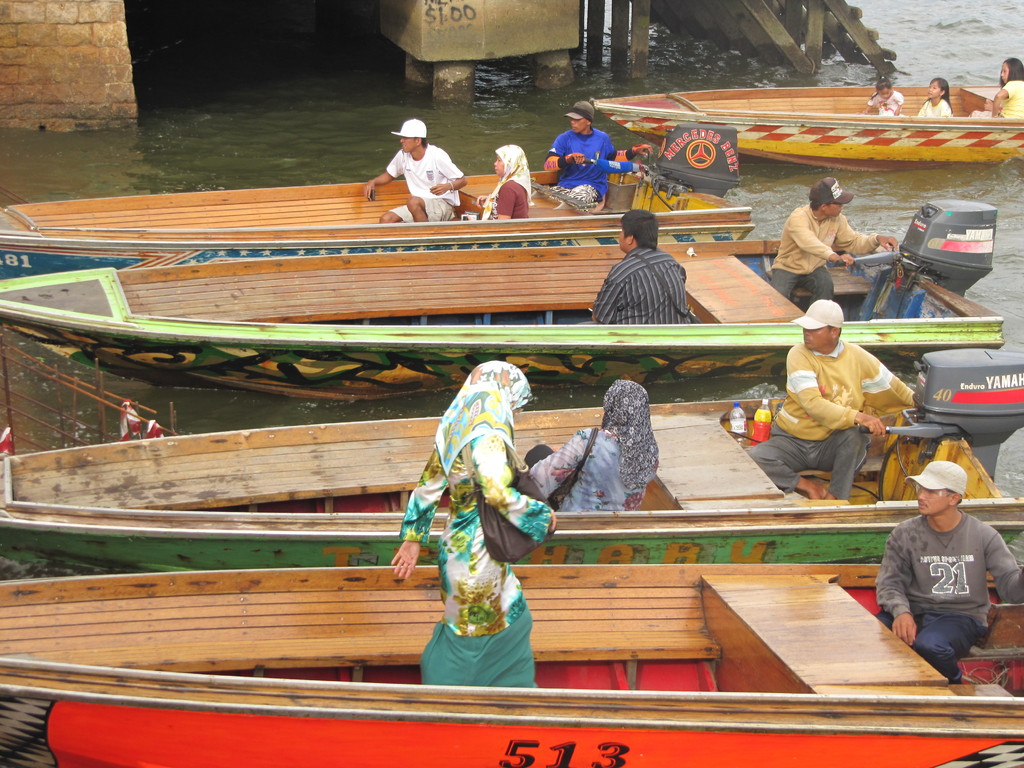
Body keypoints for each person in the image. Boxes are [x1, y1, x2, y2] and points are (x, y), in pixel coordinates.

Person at [391, 361, 554, 688]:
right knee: (475, 634)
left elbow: (428, 485)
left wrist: (413, 537)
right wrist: (541, 517)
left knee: (508, 617)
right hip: (480, 558)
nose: (514, 411)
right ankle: (450, 703)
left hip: (458, 550)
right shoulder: (489, 434)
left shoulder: (457, 423)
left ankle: (513, 693)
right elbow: (495, 490)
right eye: (515, 404)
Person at [748, 299, 914, 501]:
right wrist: (858, 416)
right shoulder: (798, 354)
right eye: (805, 328)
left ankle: (836, 499)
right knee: (754, 458)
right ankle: (809, 487)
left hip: (830, 444)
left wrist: (926, 403)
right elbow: (813, 404)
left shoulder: (859, 357)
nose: (806, 332)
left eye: (814, 329)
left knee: (856, 438)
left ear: (834, 332)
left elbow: (897, 390)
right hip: (792, 441)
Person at [876, 461, 1024, 684]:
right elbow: (889, 583)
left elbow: (1012, 591)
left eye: (931, 491)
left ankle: (955, 686)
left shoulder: (984, 535)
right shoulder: (904, 533)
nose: (921, 496)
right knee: (870, 636)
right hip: (914, 611)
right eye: (920, 489)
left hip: (961, 616)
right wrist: (901, 612)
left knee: (930, 644)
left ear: (954, 498)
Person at [528, 379, 659, 512]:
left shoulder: (590, 439)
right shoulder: (650, 451)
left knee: (539, 453)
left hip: (579, 520)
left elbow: (539, 477)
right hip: (625, 524)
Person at [770, 177, 899, 306]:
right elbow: (809, 242)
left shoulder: (838, 219)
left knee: (826, 288)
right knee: (777, 300)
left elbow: (853, 241)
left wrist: (876, 239)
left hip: (815, 268)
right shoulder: (798, 217)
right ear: (824, 206)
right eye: (838, 204)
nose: (842, 207)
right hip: (787, 268)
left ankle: (819, 322)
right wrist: (834, 257)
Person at [543, 100, 651, 210]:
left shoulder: (602, 138)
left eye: (577, 119)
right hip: (566, 185)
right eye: (571, 119)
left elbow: (613, 157)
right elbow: (548, 164)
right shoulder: (564, 138)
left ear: (588, 121)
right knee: (546, 203)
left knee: (572, 204)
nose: (572, 122)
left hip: (591, 186)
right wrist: (568, 159)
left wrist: (633, 151)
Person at [592, 209, 693, 324]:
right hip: (678, 336)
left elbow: (600, 317)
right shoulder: (672, 263)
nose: (619, 236)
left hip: (638, 339)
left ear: (630, 238)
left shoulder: (622, 272)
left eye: (622, 231)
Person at [363, 118, 467, 224]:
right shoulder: (403, 155)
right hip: (418, 206)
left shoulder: (437, 155)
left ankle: (426, 237)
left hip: (441, 203)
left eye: (405, 138)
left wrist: (447, 187)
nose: (401, 140)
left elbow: (462, 180)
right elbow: (390, 175)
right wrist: (373, 182)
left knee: (413, 202)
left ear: (418, 141)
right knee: (386, 219)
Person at [475, 144, 532, 220]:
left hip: (510, 230)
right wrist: (490, 199)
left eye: (499, 160)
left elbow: (503, 223)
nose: (495, 163)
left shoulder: (508, 188)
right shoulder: (518, 182)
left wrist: (475, 224)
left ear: (509, 164)